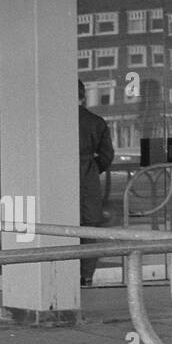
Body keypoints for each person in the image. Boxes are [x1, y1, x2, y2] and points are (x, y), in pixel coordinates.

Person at [79, 80, 115, 287]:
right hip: (88, 180)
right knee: (88, 230)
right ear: (83, 97)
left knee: (58, 228)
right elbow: (107, 155)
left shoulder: (54, 120)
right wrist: (92, 169)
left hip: (59, 181)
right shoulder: (96, 122)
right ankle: (86, 276)